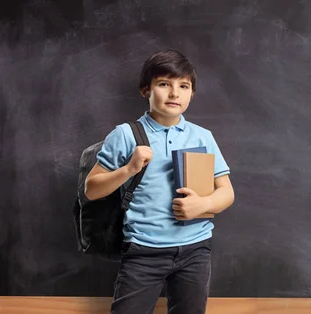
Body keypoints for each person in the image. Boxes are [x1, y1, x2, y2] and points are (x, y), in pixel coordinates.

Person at [84, 49, 235, 314]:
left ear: (192, 93)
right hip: (143, 250)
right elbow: (92, 189)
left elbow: (227, 193)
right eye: (164, 84)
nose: (174, 93)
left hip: (195, 250)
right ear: (146, 90)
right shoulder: (126, 134)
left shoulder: (202, 137)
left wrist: (203, 204)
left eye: (183, 86)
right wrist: (128, 169)